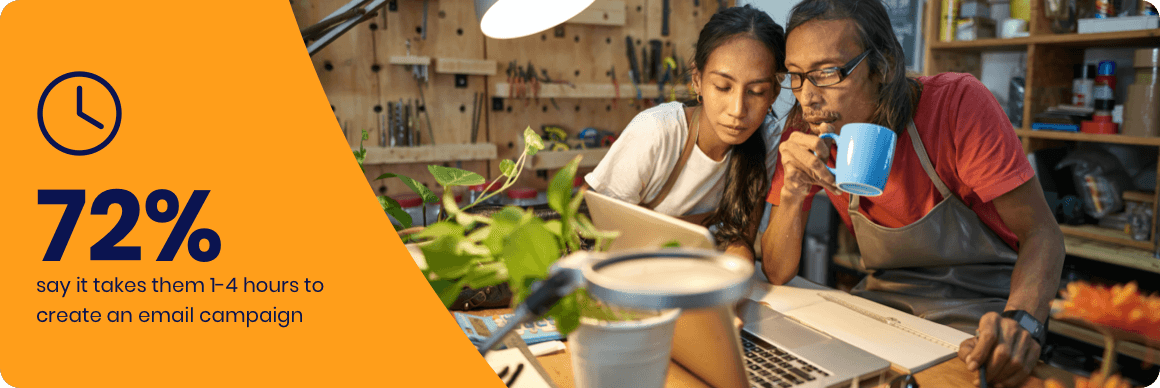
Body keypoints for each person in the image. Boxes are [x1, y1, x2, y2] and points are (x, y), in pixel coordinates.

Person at [759, 0, 1065, 387]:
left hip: (985, 306)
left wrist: (1022, 322)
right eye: (796, 75)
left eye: (828, 73)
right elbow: (778, 270)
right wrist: (791, 192)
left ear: (883, 66)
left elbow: (1043, 234)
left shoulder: (956, 105)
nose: (807, 97)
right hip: (886, 304)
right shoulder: (806, 127)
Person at [585, 5, 785, 259]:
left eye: (756, 92)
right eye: (723, 87)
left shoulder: (768, 139)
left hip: (697, 278)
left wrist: (731, 282)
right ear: (697, 80)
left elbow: (741, 240)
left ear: (773, 94)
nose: (737, 110)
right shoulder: (657, 131)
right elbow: (598, 232)